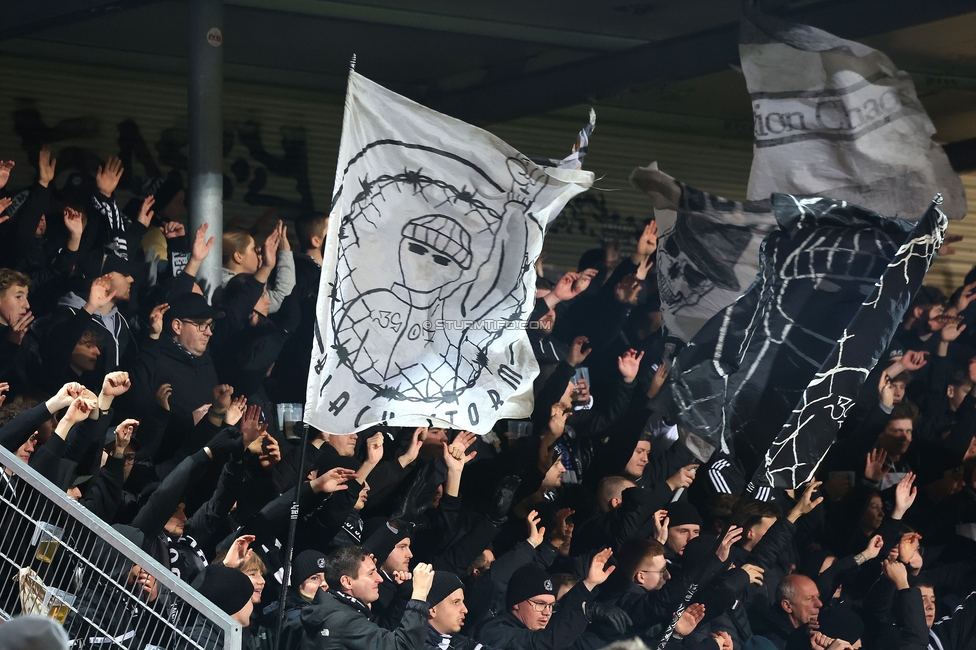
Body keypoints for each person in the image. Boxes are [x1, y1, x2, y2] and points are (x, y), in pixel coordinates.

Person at [299, 545, 435, 650]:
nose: (380, 579)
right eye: (371, 573)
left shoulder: (329, 611)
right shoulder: (345, 621)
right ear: (347, 582)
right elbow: (402, 646)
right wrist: (419, 594)